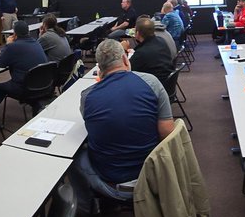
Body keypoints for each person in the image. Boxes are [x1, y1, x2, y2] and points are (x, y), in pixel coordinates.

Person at [72, 39, 174, 208]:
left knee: (74, 156)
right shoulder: (152, 83)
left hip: (111, 184)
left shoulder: (87, 96)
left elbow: (93, 123)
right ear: (126, 59)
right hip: (153, 178)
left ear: (99, 68)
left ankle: (88, 209)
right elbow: (167, 134)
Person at [0, 21, 48, 119]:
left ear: (15, 33)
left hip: (24, 87)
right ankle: (35, 103)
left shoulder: (13, 46)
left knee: (0, 87)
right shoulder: (36, 42)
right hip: (42, 85)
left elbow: (0, 62)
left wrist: (7, 45)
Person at [127, 17, 175, 91]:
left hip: (153, 88)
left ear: (137, 33)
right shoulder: (161, 41)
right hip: (166, 84)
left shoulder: (142, 53)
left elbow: (127, 69)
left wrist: (124, 50)